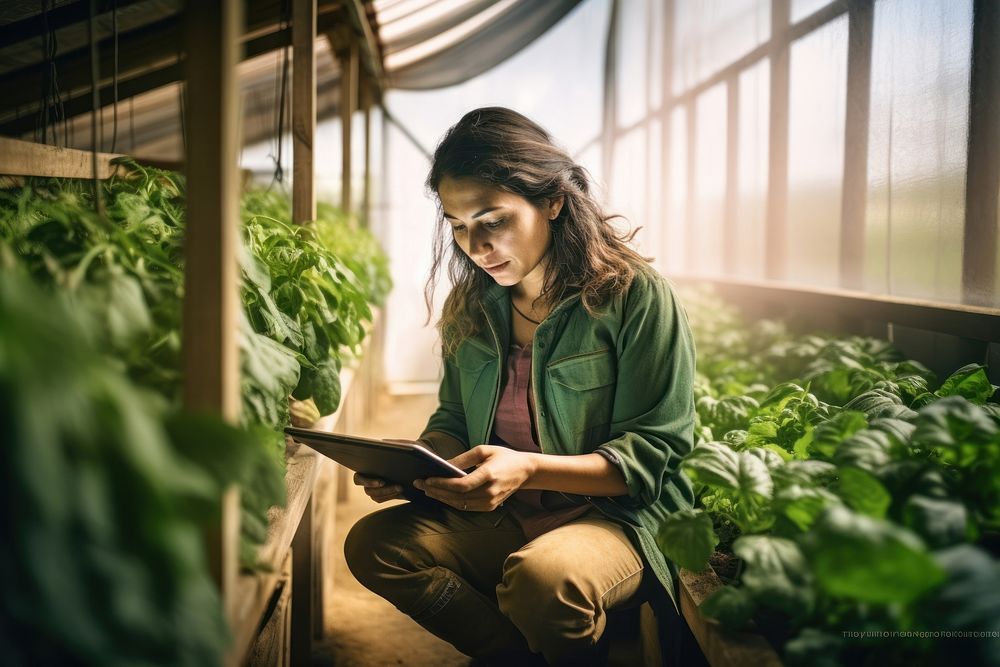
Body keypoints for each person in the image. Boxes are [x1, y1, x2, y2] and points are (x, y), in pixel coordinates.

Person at [344, 107, 696, 665]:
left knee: (545, 579)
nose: (475, 245)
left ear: (553, 201)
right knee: (376, 546)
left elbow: (656, 454)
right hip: (507, 512)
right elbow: (454, 418)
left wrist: (528, 467)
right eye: (458, 226)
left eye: (493, 219)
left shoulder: (634, 297)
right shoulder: (473, 305)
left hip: (615, 520)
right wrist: (418, 463)